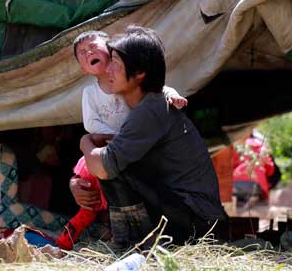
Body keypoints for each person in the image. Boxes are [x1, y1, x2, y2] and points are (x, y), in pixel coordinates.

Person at [80, 26, 225, 247]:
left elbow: (102, 167)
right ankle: (133, 241)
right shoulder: (146, 106)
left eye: (116, 64)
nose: (108, 70)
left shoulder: (150, 109)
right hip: (190, 215)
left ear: (139, 74)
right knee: (115, 158)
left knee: (113, 165)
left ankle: (130, 242)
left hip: (196, 222)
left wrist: (85, 142)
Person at [57, 30, 187, 250]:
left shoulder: (131, 78)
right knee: (96, 200)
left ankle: (133, 237)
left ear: (112, 52)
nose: (88, 51)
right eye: (82, 52)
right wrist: (113, 138)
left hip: (135, 151)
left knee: (129, 195)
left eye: (93, 46)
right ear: (83, 68)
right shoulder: (90, 93)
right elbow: (91, 124)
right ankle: (66, 242)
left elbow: (157, 90)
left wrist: (171, 95)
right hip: (110, 149)